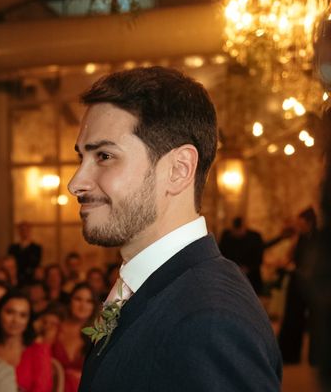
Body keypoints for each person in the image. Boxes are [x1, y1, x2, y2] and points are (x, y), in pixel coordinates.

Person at [68, 67, 281, 391]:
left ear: (179, 170)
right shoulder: (154, 284)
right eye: (81, 157)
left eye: (104, 156)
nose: (75, 183)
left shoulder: (210, 322)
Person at [0, 290, 53, 392]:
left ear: (28, 320)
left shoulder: (39, 351)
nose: (15, 320)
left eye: (23, 315)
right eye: (10, 312)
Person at [278, 207, 319, 364]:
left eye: (300, 223)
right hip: (297, 282)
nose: (298, 226)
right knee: (292, 318)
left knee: (316, 320)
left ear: (309, 223)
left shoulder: (319, 238)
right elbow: (291, 257)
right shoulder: (300, 238)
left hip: (313, 284)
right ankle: (289, 356)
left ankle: (316, 358)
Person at [51, 283, 96, 392]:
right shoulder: (54, 328)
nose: (83, 305)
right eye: (78, 299)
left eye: (88, 301)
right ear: (70, 301)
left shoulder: (97, 334)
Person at [219, 216, 265, 294]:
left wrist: (248, 268)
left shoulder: (255, 237)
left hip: (252, 278)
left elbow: (258, 257)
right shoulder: (227, 236)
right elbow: (221, 254)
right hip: (231, 276)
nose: (238, 233)